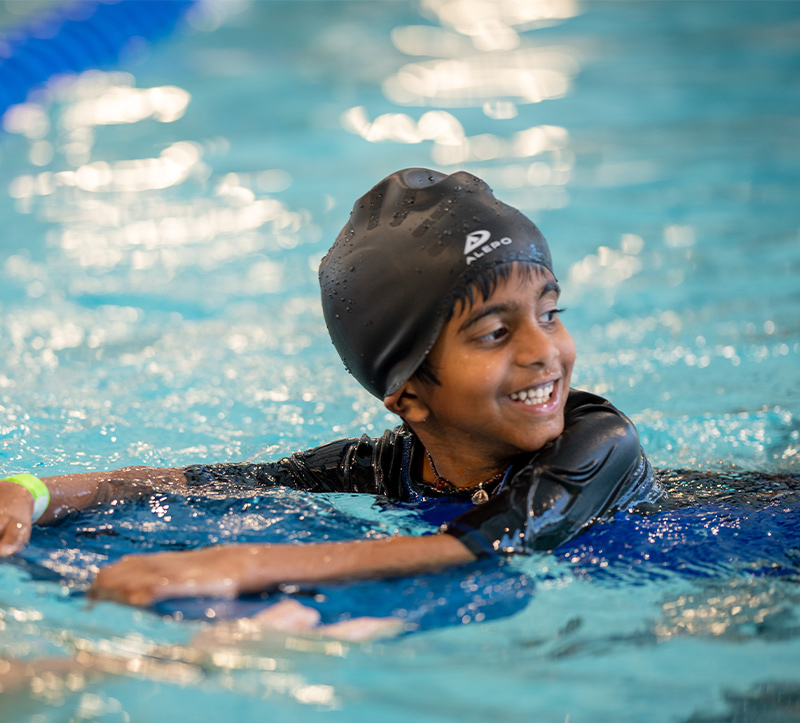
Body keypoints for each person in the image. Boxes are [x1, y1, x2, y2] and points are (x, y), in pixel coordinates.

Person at [0, 168, 664, 609]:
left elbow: (475, 549)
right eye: (496, 333)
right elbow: (198, 482)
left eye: (551, 314)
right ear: (406, 395)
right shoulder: (392, 466)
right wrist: (32, 492)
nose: (544, 351)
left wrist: (233, 564)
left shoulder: (600, 441)